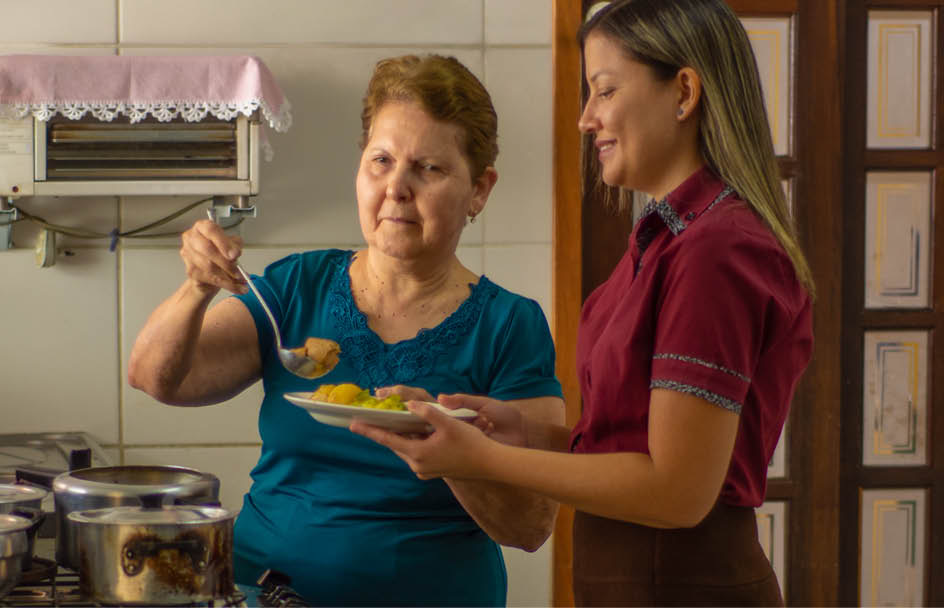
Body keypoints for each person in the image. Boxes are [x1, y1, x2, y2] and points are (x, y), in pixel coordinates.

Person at [351, 1, 814, 605]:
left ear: (683, 93)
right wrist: (529, 435)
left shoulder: (716, 250)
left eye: (604, 91)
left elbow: (677, 490)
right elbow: (641, 451)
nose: (585, 119)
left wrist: (480, 459)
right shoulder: (669, 241)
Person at [127, 54, 565, 606]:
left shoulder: (511, 326)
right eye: (381, 161)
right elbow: (155, 377)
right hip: (265, 593)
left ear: (479, 190)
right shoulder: (295, 288)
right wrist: (196, 287)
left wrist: (456, 457)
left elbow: (530, 527)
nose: (397, 188)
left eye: (429, 168)